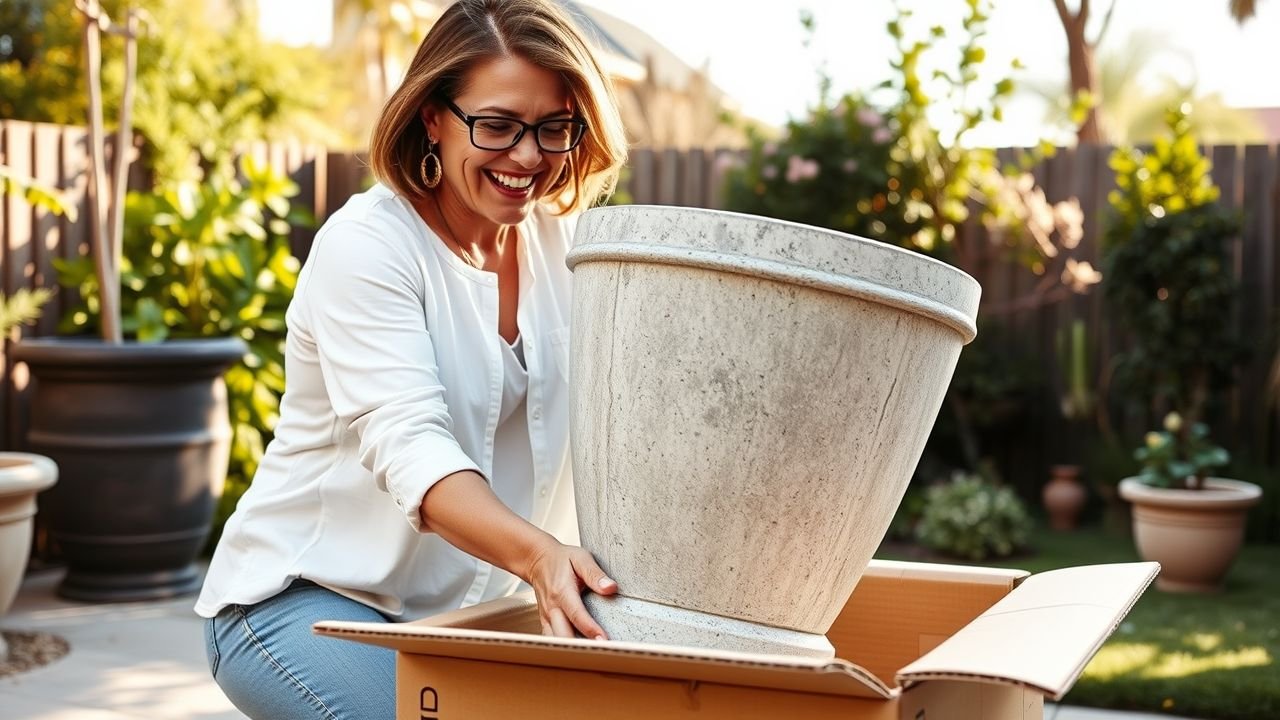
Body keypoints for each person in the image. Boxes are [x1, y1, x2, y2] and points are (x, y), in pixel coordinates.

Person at [195, 1, 629, 717]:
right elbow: (414, 449)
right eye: (496, 125)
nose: (529, 155)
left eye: (554, 128)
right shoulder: (368, 248)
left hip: (473, 621)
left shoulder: (572, 247)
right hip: (308, 601)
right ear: (432, 116)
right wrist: (541, 557)